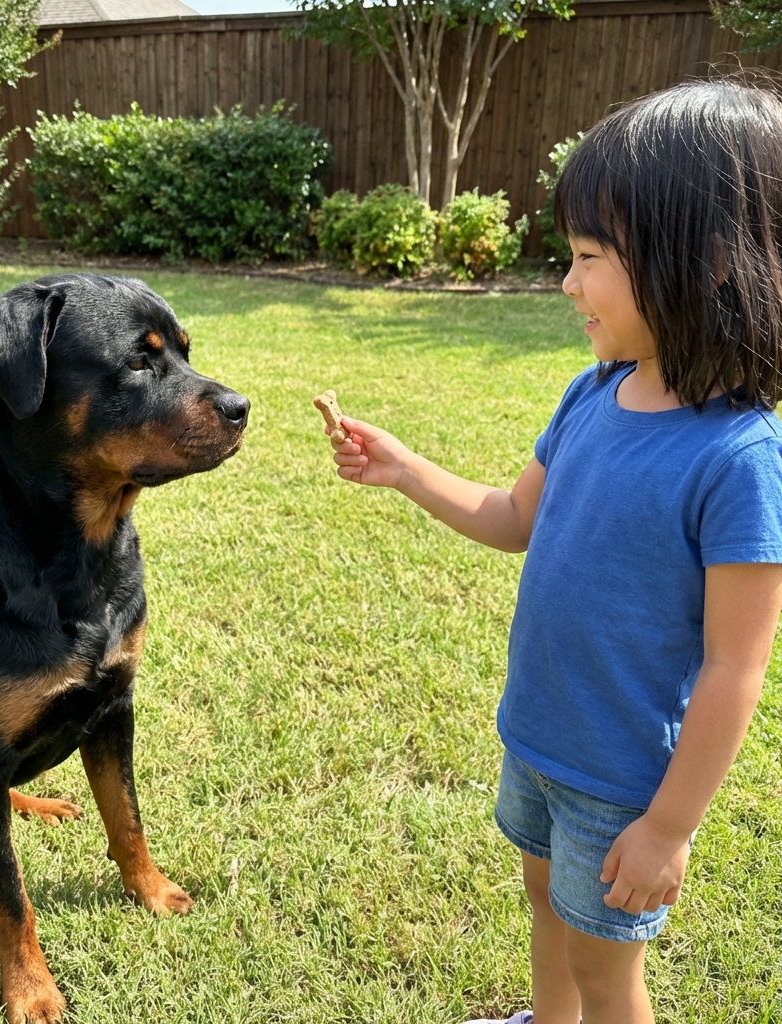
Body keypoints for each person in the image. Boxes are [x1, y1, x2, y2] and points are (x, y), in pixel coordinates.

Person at [328, 80, 782, 1024]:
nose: (568, 283)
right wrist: (406, 470)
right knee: (544, 908)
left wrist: (668, 828)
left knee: (607, 969)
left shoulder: (739, 458)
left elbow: (738, 668)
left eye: (587, 258)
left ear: (704, 265)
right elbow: (513, 516)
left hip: (621, 781)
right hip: (538, 738)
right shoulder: (593, 392)